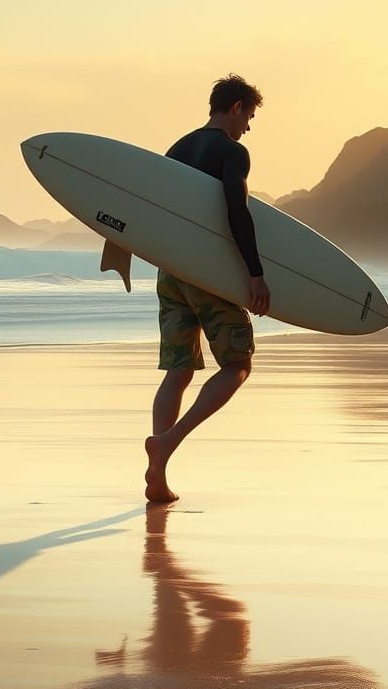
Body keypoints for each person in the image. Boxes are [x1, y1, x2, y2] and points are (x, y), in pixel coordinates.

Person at [144, 75, 270, 503]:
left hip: (170, 272)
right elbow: (237, 210)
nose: (248, 127)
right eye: (249, 116)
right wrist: (255, 273)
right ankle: (168, 441)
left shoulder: (178, 148)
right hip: (207, 274)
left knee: (178, 371)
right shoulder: (232, 151)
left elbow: (146, 206)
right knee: (237, 365)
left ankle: (157, 473)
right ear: (235, 107)